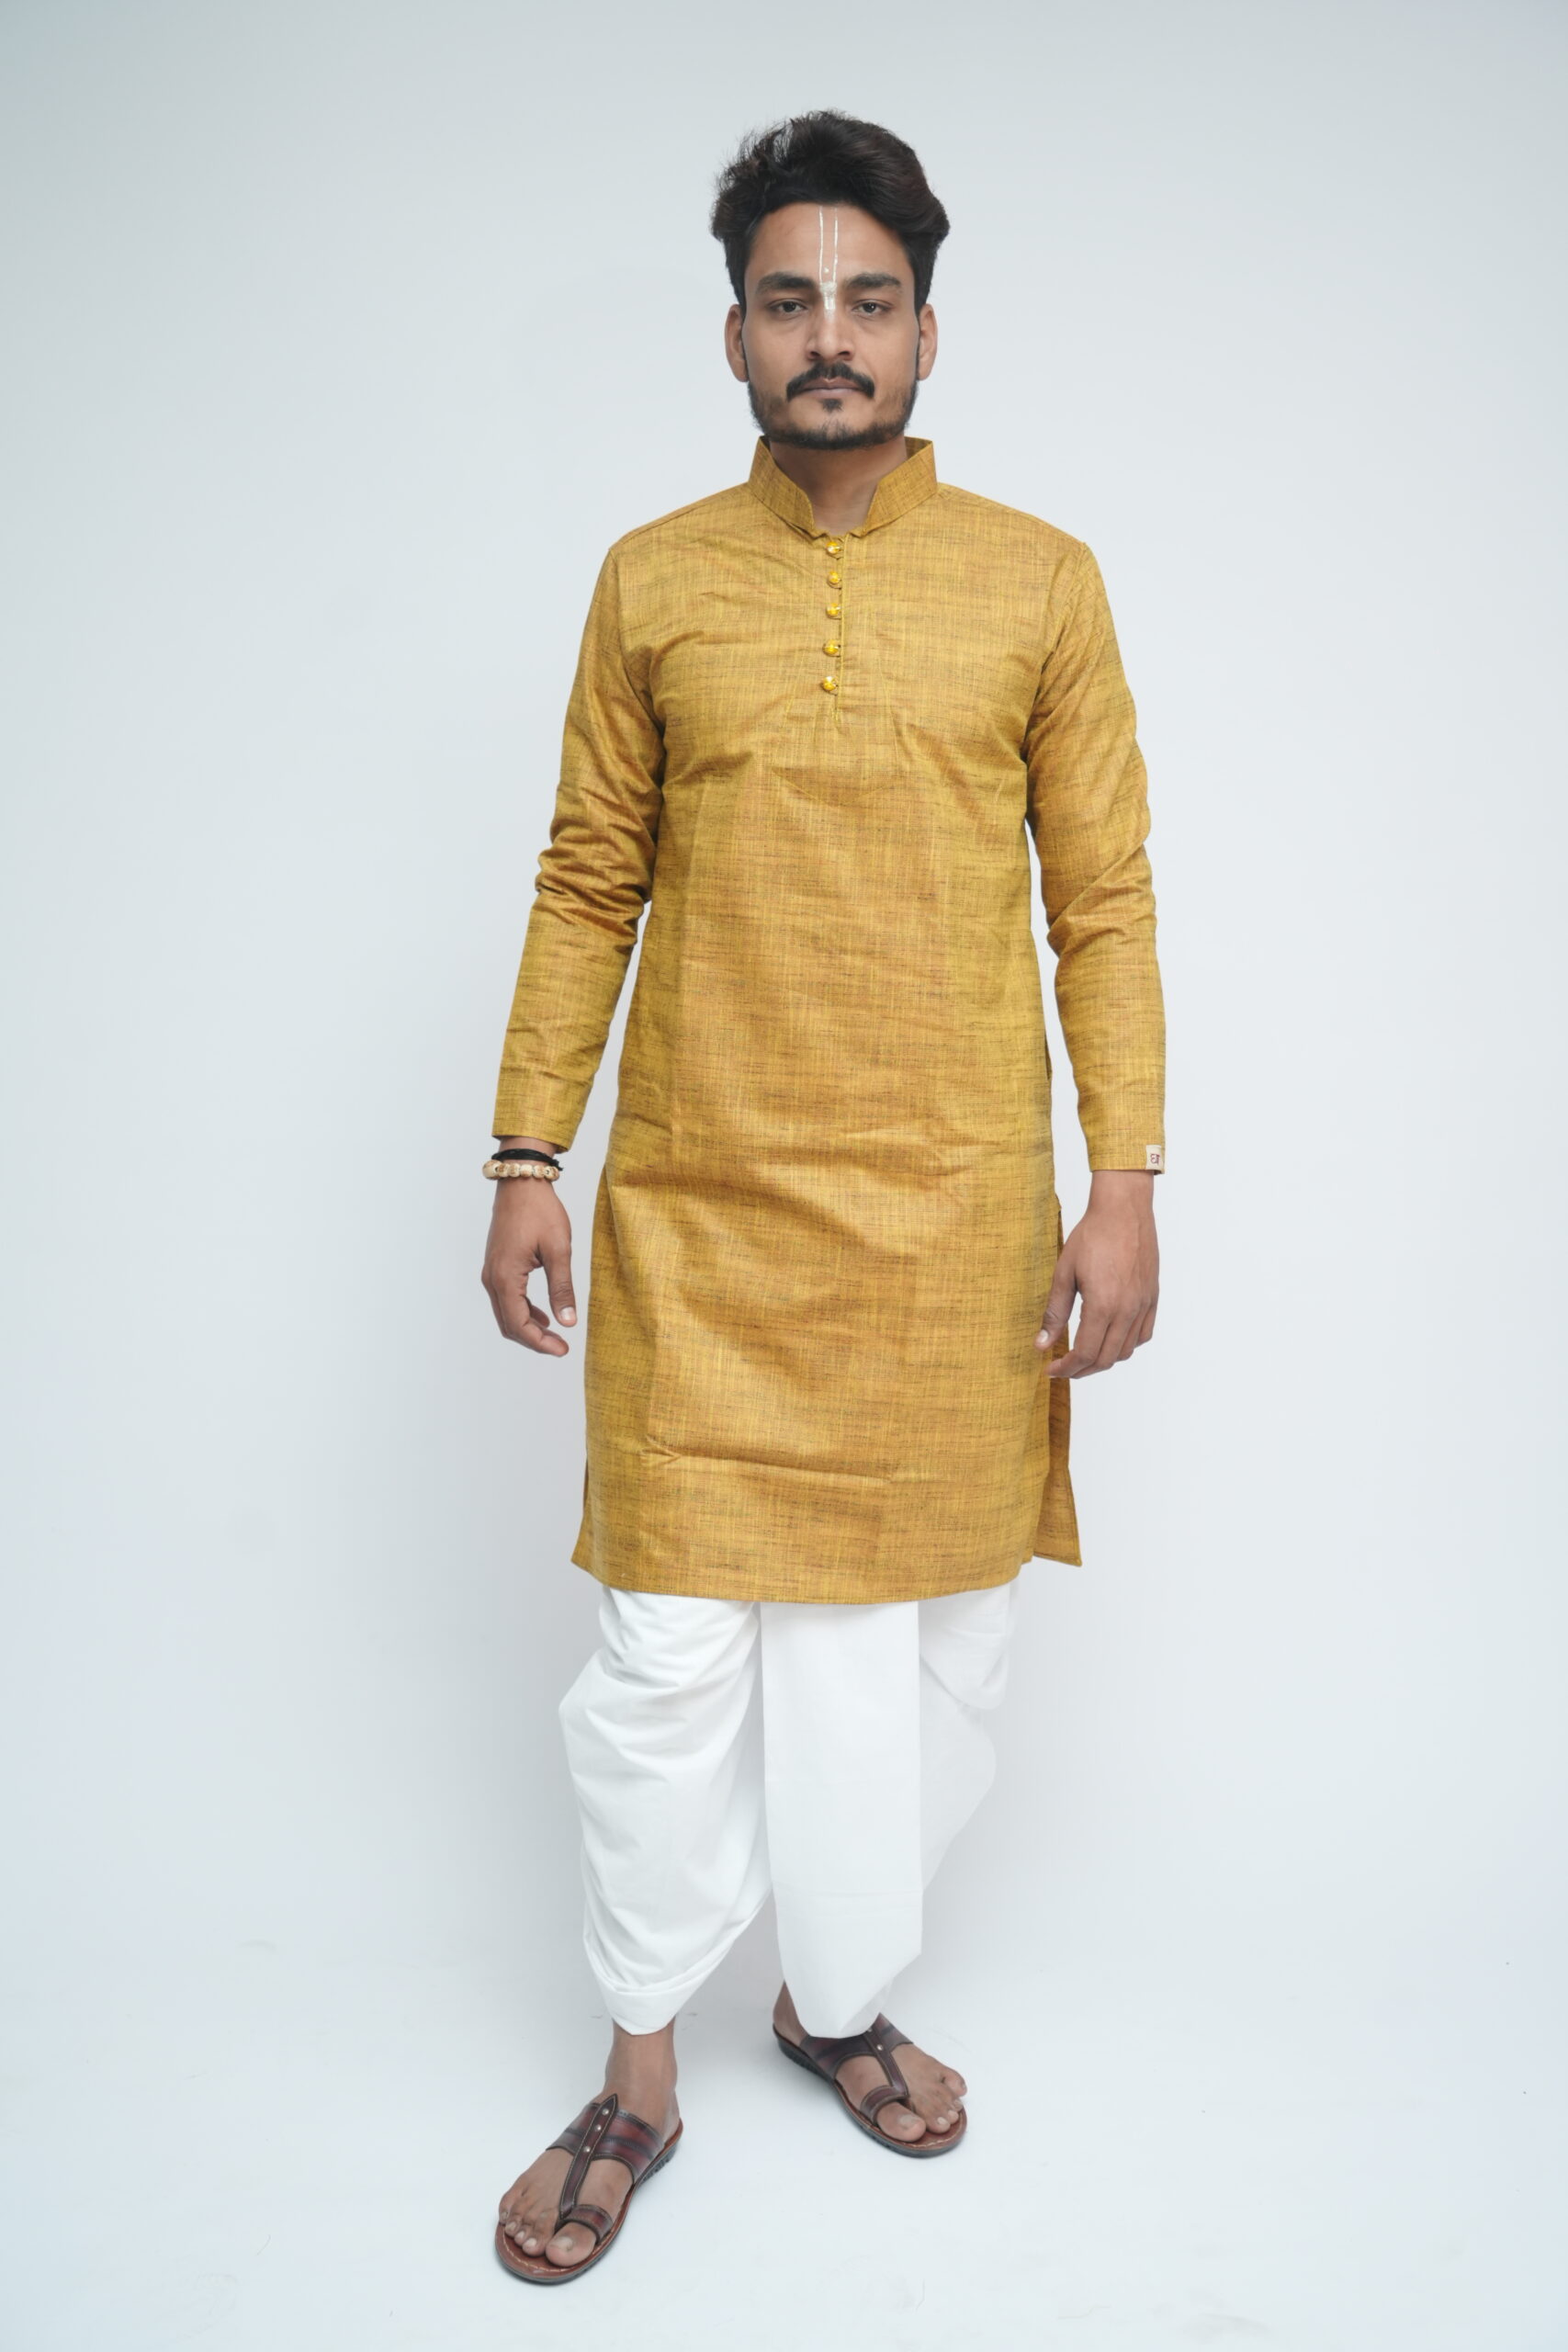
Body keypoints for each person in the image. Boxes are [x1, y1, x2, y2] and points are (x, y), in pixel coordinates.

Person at [483, 108, 1165, 2283]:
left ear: (926, 330)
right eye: (789, 299)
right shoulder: (652, 579)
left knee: (923, 1665)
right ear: (734, 335)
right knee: (658, 1670)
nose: (829, 336)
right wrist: (525, 1149)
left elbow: (1100, 899)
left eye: (868, 299)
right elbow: (587, 876)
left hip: (952, 1228)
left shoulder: (1038, 580)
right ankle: (637, 2073)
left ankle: (831, 1995)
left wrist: (1123, 1177)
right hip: (699, 1217)